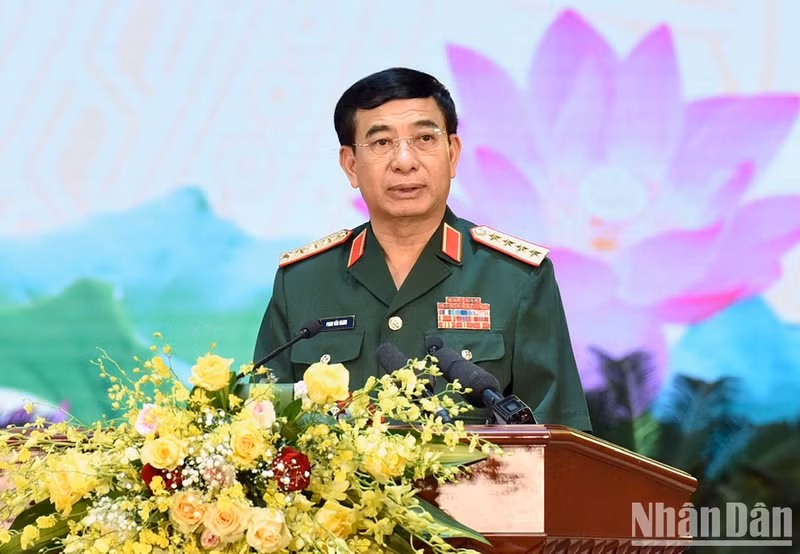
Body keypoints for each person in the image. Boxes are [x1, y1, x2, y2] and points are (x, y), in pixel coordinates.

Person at [253, 67, 591, 430]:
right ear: (351, 165)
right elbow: (263, 428)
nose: (404, 161)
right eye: (381, 143)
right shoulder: (303, 281)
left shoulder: (516, 278)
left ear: (453, 152)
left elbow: (558, 439)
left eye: (425, 139)